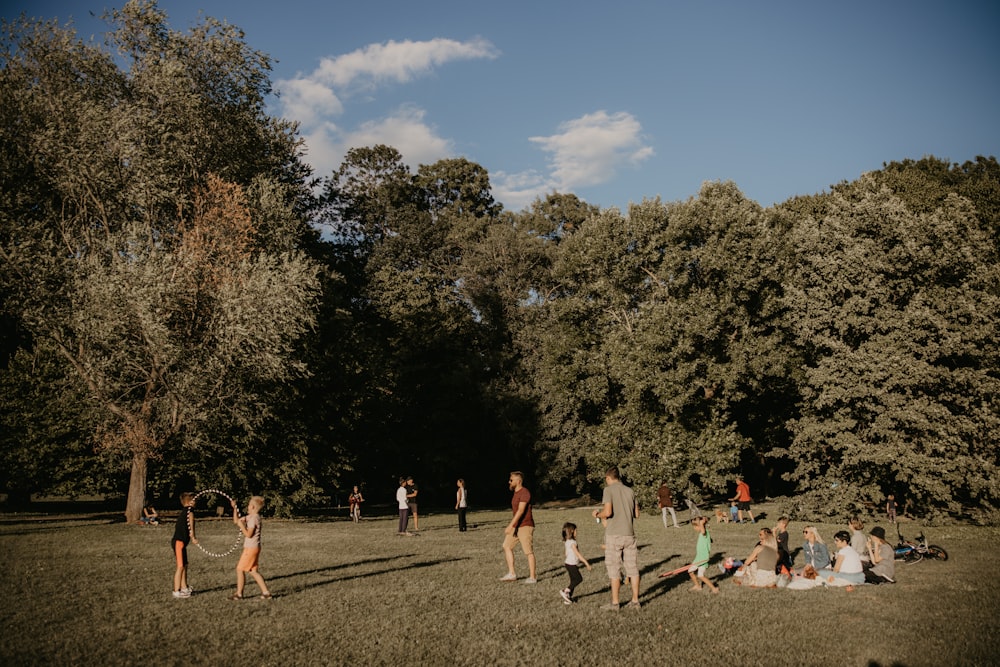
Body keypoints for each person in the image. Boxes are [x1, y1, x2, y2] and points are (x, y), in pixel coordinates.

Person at [592, 466, 641, 610]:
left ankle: (615, 603)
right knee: (633, 569)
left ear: (608, 477)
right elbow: (636, 514)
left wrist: (597, 514)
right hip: (629, 534)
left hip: (614, 535)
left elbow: (607, 512)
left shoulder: (608, 490)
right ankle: (635, 601)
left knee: (614, 568)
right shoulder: (630, 491)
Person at [229, 496, 272, 600]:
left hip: (250, 549)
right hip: (254, 548)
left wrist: (242, 526)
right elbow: (236, 521)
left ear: (252, 506)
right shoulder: (251, 517)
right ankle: (266, 593)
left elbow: (249, 534)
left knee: (239, 569)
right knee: (253, 571)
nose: (247, 506)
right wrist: (234, 508)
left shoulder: (253, 519)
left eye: (248, 504)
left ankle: (239, 594)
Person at [500, 471, 536, 583]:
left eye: (511, 480)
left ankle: (532, 577)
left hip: (525, 525)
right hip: (517, 526)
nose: (509, 482)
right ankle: (512, 574)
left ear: (518, 481)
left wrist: (510, 526)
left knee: (528, 552)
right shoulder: (515, 493)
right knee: (506, 546)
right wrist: (513, 526)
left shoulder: (525, 492)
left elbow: (520, 511)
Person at [171, 491, 198, 598]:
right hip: (179, 543)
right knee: (180, 566)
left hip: (180, 543)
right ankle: (176, 591)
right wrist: (194, 538)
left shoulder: (185, 511)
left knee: (185, 565)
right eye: (194, 500)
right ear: (190, 502)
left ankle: (184, 587)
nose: (196, 502)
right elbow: (191, 526)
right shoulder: (190, 512)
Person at [560, 522, 592, 604]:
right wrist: (586, 563)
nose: (577, 533)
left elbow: (566, 553)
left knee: (573, 581)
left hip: (568, 564)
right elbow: (577, 554)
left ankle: (568, 597)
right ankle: (565, 591)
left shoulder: (567, 541)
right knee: (578, 579)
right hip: (571, 564)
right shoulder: (573, 543)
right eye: (576, 531)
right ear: (571, 531)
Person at [688, 516, 718, 593]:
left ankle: (714, 588)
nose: (694, 528)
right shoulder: (706, 533)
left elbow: (703, 532)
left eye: (695, 526)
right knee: (692, 572)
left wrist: (701, 524)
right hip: (699, 557)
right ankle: (698, 586)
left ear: (700, 526)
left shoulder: (703, 533)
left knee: (699, 575)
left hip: (702, 558)